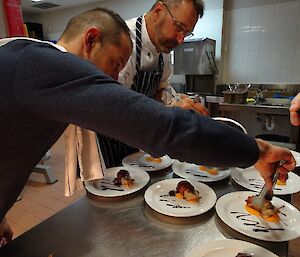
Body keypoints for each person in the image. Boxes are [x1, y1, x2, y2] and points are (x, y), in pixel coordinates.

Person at [0, 7, 295, 247]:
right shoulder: (44, 66)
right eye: (115, 65)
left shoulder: (27, 60)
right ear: (90, 40)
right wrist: (257, 149)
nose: (115, 79)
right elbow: (164, 127)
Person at [97, 0, 209, 167]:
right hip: (107, 140)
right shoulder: (124, 40)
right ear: (158, 11)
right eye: (179, 27)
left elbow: (160, 90)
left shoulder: (163, 47)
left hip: (135, 138)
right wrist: (171, 114)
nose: (180, 40)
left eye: (187, 33)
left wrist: (177, 102)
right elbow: (113, 110)